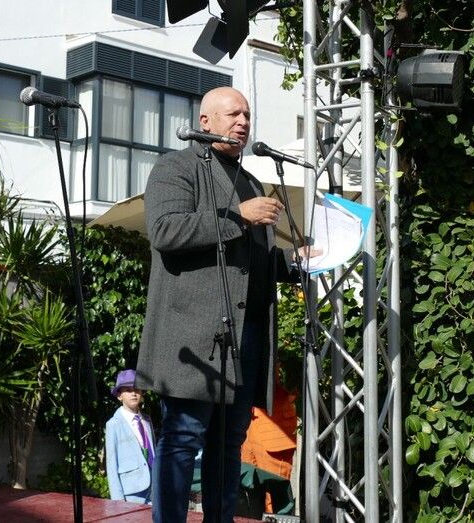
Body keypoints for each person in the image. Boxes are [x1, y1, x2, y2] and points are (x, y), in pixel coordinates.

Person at [135, 86, 309, 522]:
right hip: (193, 337)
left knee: (230, 443)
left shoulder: (250, 182)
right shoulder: (176, 167)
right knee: (183, 438)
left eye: (247, 114)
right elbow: (166, 231)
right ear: (205, 121)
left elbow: (253, 262)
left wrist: (296, 263)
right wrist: (238, 217)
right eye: (233, 114)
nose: (243, 122)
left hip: (243, 336)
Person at [105, 369, 155, 504]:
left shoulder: (147, 420)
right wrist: (118, 501)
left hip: (153, 488)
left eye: (137, 389)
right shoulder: (113, 425)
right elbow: (111, 464)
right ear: (119, 396)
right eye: (127, 390)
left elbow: (153, 450)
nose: (133, 393)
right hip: (131, 491)